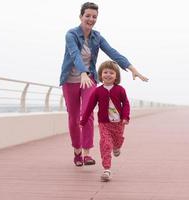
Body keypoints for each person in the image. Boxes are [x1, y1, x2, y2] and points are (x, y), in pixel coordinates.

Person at [59, 2, 148, 167]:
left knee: (87, 113)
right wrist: (82, 72)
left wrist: (132, 68)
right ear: (81, 17)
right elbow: (75, 55)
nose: (91, 19)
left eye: (94, 17)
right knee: (73, 118)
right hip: (71, 80)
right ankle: (77, 151)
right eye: (88, 16)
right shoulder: (71, 34)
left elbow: (113, 52)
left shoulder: (97, 37)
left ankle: (86, 153)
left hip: (89, 79)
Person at [80, 60, 130, 181]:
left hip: (118, 123)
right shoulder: (97, 91)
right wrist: (84, 120)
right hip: (104, 123)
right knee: (105, 143)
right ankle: (106, 169)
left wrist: (125, 117)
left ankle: (117, 147)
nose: (108, 74)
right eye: (105, 72)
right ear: (100, 75)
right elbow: (90, 106)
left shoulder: (120, 90)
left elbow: (126, 104)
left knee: (117, 141)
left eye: (111, 73)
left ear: (116, 76)